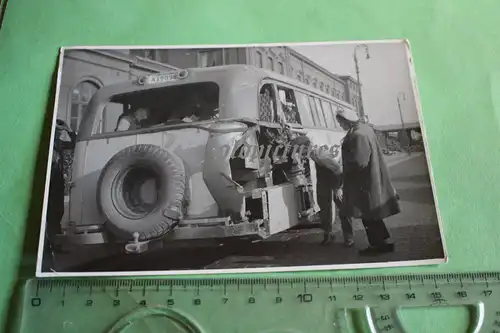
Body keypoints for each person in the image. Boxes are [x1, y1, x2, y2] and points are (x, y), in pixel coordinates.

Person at [336, 109, 401, 255]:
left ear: (347, 120)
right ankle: (384, 241)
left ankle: (377, 246)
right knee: (372, 215)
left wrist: (344, 170)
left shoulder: (358, 135)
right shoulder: (365, 130)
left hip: (364, 183)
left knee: (368, 215)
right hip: (370, 180)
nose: (340, 125)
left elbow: (360, 162)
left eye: (340, 122)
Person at [291, 135, 354, 247]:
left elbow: (338, 170)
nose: (300, 154)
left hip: (336, 175)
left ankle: (349, 237)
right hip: (323, 175)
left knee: (342, 206)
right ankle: (328, 234)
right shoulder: (312, 153)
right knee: (323, 205)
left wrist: (338, 188)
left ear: (307, 147)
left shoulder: (321, 154)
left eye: (301, 150)